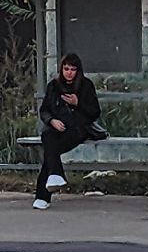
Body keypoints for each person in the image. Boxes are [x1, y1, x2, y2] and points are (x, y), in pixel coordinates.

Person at [34, 53, 101, 210]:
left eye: (72, 69)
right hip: (58, 127)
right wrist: (52, 121)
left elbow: (94, 112)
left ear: (78, 71)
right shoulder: (54, 86)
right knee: (47, 136)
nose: (69, 72)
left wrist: (78, 103)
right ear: (61, 69)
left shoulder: (86, 85)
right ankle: (55, 176)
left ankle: (43, 195)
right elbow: (44, 110)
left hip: (79, 128)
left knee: (51, 152)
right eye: (66, 69)